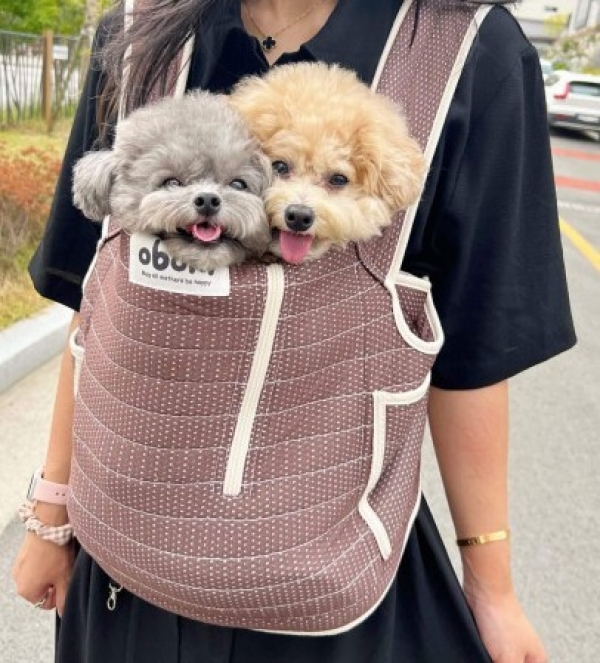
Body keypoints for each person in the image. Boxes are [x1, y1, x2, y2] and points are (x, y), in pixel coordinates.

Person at [12, 1, 576, 661]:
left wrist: (493, 586)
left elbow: (475, 348)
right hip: (125, 564)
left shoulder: (466, 52)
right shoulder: (141, 32)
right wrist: (50, 512)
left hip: (327, 578)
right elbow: (97, 300)